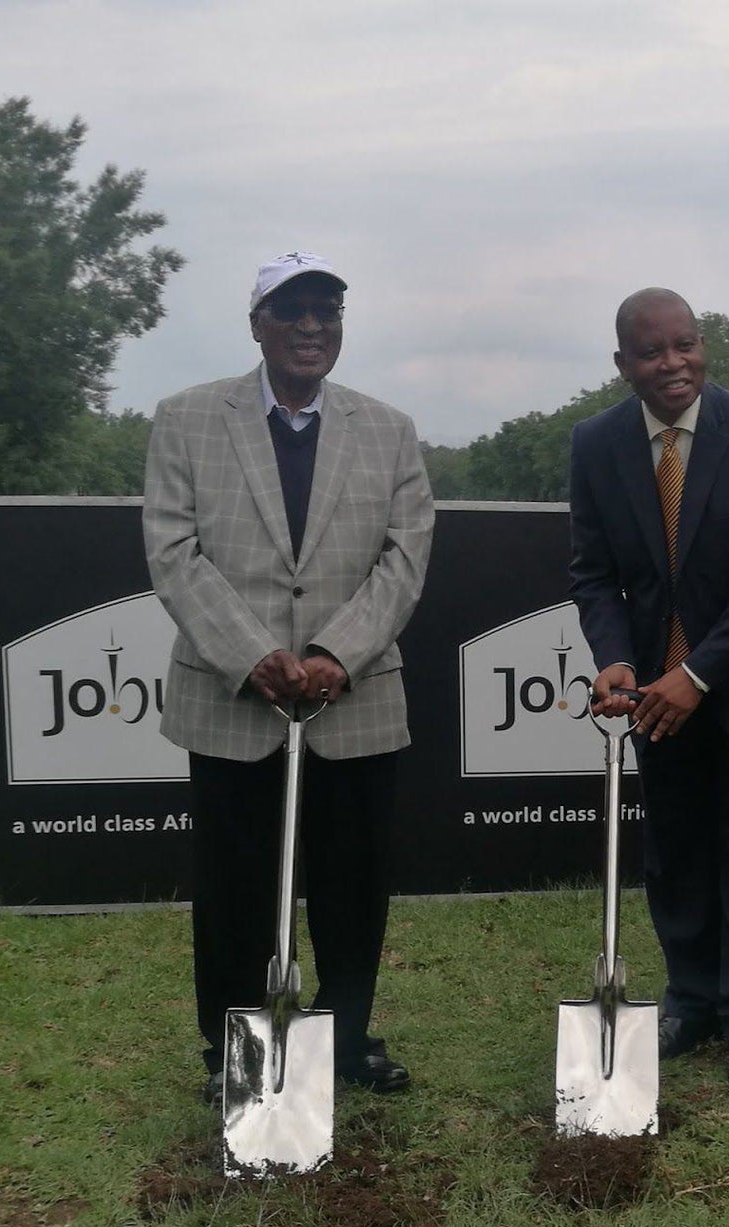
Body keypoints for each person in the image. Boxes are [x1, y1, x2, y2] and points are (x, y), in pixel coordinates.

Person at [144, 251, 434, 1104]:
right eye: (294, 310)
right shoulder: (188, 418)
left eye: (328, 312)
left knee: (353, 885)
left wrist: (338, 654)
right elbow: (173, 550)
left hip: (355, 701)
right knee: (234, 890)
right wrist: (252, 654)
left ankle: (343, 1040)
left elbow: (405, 558)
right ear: (257, 324)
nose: (313, 327)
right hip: (233, 700)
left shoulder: (390, 429)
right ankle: (237, 1052)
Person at [568, 288, 729, 1092]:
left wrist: (696, 675)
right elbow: (595, 574)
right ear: (623, 365)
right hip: (651, 695)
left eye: (686, 345)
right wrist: (614, 658)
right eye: (653, 352)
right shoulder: (596, 444)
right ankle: (691, 1001)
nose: (673, 364)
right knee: (674, 850)